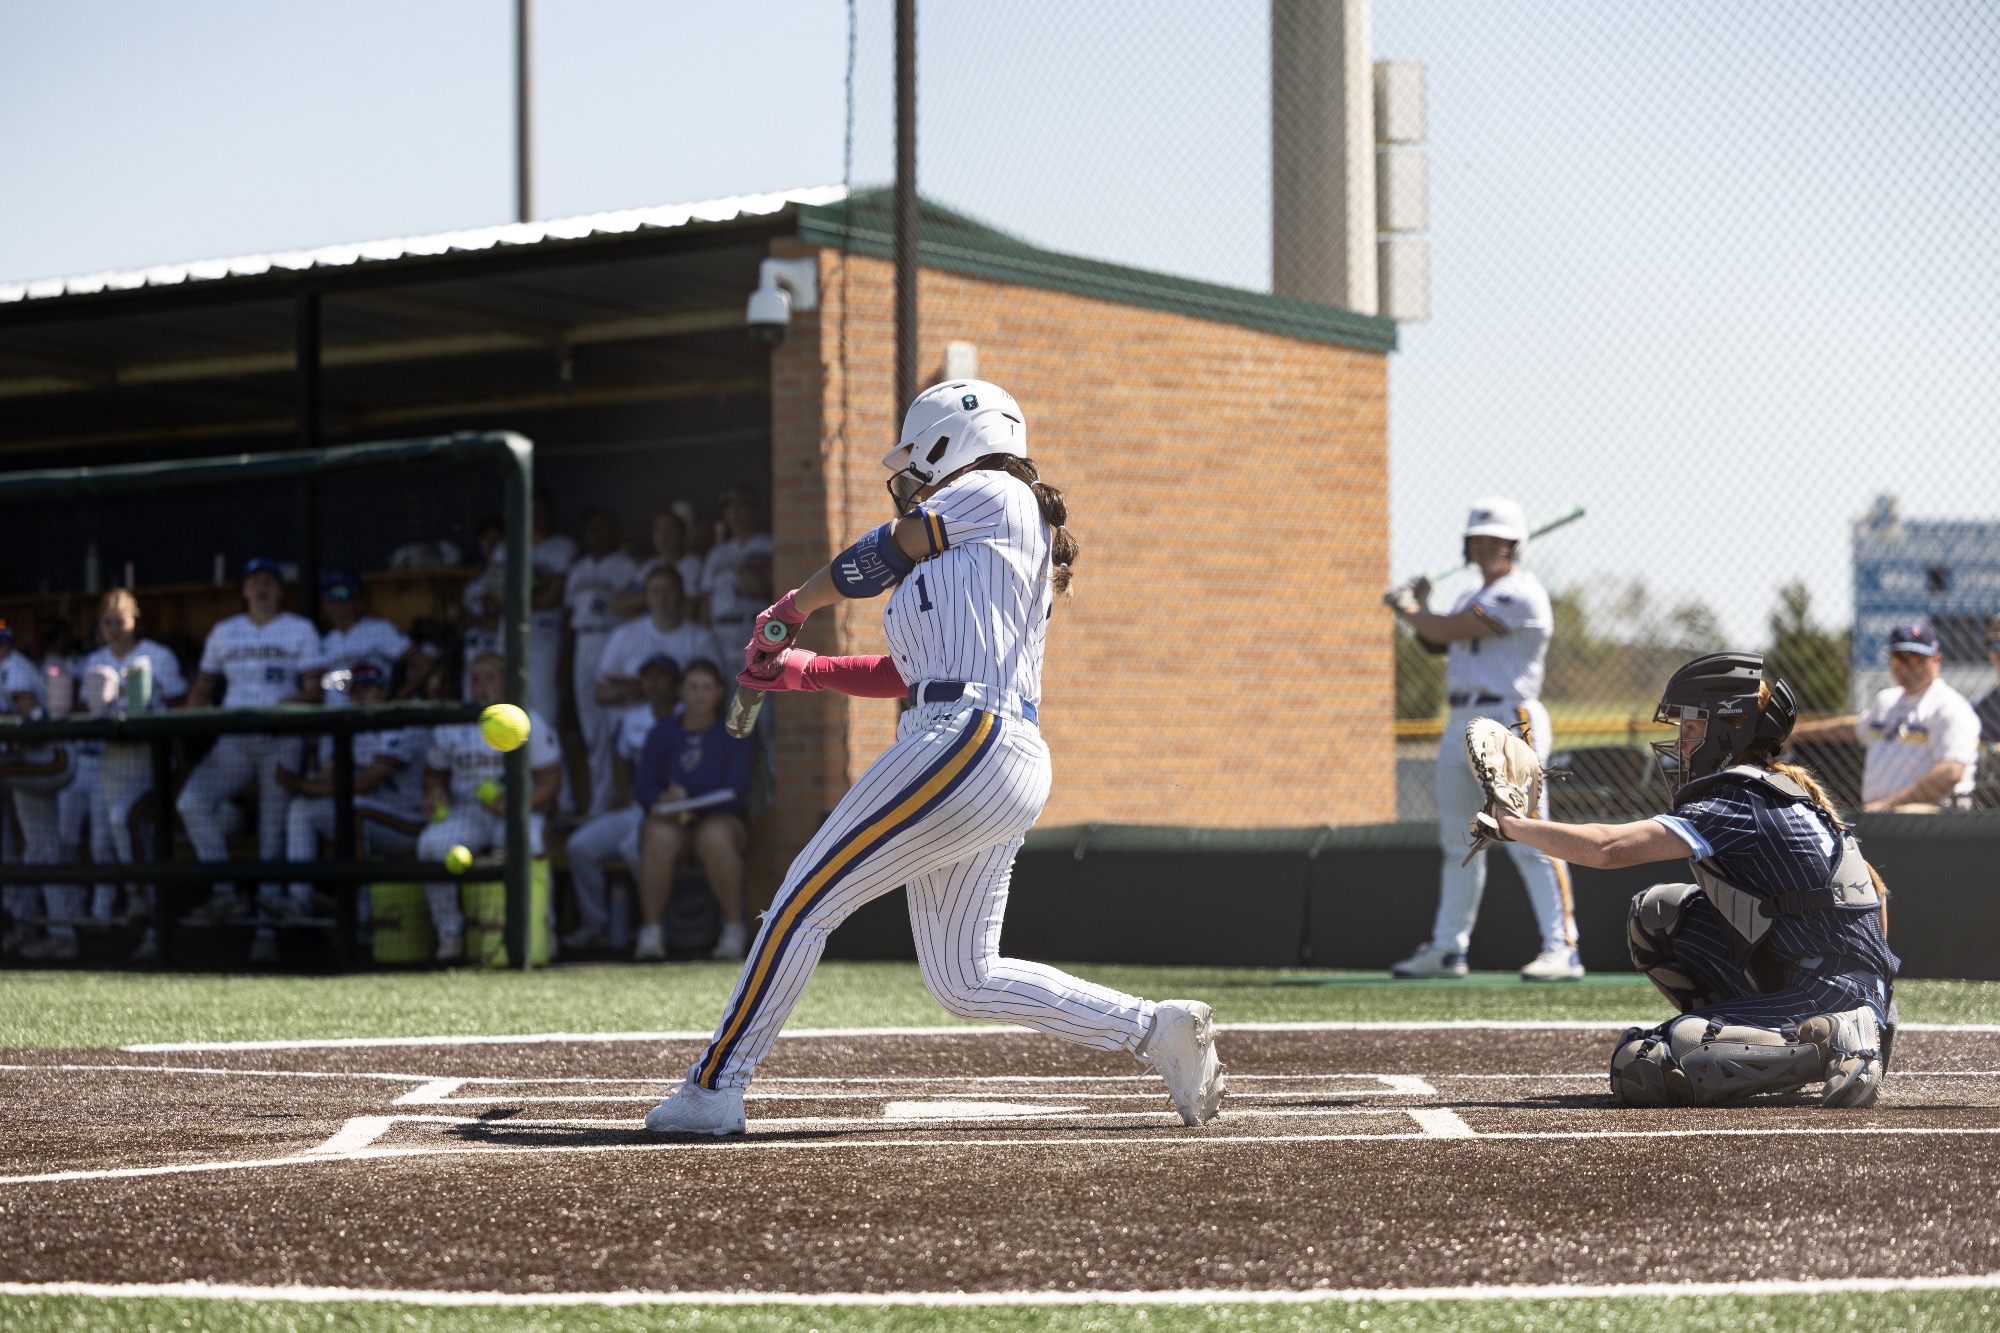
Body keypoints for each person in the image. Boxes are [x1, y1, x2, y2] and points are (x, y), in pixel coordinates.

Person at [642, 379, 1224, 1136]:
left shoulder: (995, 492)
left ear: (953, 441)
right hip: (975, 746)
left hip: (968, 738)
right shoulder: (968, 545)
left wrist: (794, 605)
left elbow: (886, 550)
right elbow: (906, 673)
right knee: (964, 978)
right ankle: (1159, 1031)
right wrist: (803, 669)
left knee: (799, 901)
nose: (910, 476)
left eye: (919, 457)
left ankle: (714, 1086)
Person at [1476, 652, 1896, 1108]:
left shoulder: (1740, 795)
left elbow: (1606, 848)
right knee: (1657, 915)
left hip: (1829, 992)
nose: (1680, 743)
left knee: (1646, 1061)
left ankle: (1839, 1038)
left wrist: (1513, 824)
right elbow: (1878, 901)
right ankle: (1781, 1040)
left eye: (1691, 729)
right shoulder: (1777, 787)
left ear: (1728, 729)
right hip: (1826, 980)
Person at [1384, 497, 1582, 982]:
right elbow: (1435, 639)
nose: (1486, 547)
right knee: (1459, 841)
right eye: (1478, 540)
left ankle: (1563, 948)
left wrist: (1410, 607)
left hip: (1508, 717)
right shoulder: (1471, 592)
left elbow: (1450, 629)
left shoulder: (1520, 593)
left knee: (1530, 835)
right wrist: (1420, 608)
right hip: (1460, 720)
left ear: (1515, 545)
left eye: (1496, 540)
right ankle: (1448, 949)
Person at [177, 558, 325, 935]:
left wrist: (283, 705)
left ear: (280, 590)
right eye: (254, 581)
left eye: (269, 582)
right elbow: (201, 691)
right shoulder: (224, 632)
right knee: (191, 802)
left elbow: (315, 694)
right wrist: (184, 728)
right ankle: (226, 890)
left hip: (281, 739)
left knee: (272, 834)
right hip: (235, 740)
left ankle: (265, 932)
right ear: (244, 590)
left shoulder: (300, 629)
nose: (262, 588)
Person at [416, 652, 562, 963]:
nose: (482, 686)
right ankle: (450, 933)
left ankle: (543, 927)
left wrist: (517, 807)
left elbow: (551, 781)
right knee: (430, 844)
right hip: (466, 811)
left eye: (490, 677)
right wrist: (435, 795)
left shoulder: (526, 720)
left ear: (506, 681)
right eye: (476, 679)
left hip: (514, 811)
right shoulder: (454, 723)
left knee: (532, 843)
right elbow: (433, 777)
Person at [276, 662, 428, 945]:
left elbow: (364, 785)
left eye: (365, 688)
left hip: (409, 824)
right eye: (353, 691)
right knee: (303, 808)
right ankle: (300, 900)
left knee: (355, 808)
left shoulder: (401, 723)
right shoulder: (350, 727)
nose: (358, 696)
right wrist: (304, 781)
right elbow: (325, 778)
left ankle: (360, 918)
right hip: (368, 818)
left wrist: (304, 785)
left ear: (382, 691)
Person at [80, 591, 188, 961]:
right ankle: (145, 928)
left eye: (120, 622)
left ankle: (149, 909)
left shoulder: (157, 656)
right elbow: (85, 709)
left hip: (153, 761)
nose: (114, 630)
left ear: (135, 621)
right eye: (107, 623)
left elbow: (180, 704)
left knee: (128, 822)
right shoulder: (95, 661)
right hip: (113, 760)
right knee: (115, 838)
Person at [630, 659, 754, 962]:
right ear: (681, 691)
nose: (700, 695)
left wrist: (690, 804)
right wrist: (664, 799)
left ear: (719, 692)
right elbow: (643, 787)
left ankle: (734, 929)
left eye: (707, 688)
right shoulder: (661, 733)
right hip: (673, 821)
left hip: (719, 818)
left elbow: (736, 791)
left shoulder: (735, 732)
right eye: (693, 687)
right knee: (657, 836)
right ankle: (651, 932)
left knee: (715, 838)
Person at [1791, 623, 1979, 812]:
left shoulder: (1950, 706)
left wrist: (1890, 805)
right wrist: (1796, 734)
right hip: (1882, 813)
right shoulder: (1886, 701)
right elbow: (1853, 728)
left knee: (1902, 813)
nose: (1906, 667)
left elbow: (1951, 772)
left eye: (1915, 659)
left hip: (1937, 815)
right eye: (1899, 658)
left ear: (1936, 660)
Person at [562, 654, 681, 954]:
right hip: (638, 806)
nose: (654, 684)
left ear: (675, 683)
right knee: (579, 846)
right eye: (648, 678)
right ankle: (597, 923)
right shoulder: (632, 719)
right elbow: (621, 762)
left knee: (634, 849)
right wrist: (623, 790)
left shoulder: (687, 715)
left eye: (661, 677)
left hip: (674, 811)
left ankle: (656, 926)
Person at [0, 621, 76, 961]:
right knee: (35, 852)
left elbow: (33, 725)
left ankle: (60, 932)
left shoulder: (13, 668)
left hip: (49, 760)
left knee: (42, 851)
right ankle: (27, 926)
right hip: (23, 769)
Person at [476, 489, 576, 735]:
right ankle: (510, 772)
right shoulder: (505, 549)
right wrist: (528, 595)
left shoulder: (562, 547)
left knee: (543, 715)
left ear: (550, 514)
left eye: (540, 511)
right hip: (507, 637)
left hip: (543, 636)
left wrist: (512, 598)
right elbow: (491, 599)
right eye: (530, 511)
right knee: (504, 709)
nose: (535, 517)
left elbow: (552, 599)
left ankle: (548, 769)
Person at [563, 510, 640, 817]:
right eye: (592, 528)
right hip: (584, 642)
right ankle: (599, 803)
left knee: (615, 724)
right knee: (591, 730)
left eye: (603, 526)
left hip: (613, 638)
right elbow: (568, 621)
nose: (597, 533)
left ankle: (621, 801)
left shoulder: (628, 566)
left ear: (614, 530)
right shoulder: (578, 569)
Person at [595, 566, 722, 708]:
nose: (662, 598)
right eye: (655, 591)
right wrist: (632, 691)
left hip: (684, 724)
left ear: (681, 595)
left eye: (669, 591)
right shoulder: (623, 634)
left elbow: (720, 691)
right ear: (646, 597)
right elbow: (601, 691)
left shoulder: (702, 638)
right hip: (635, 725)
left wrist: (669, 690)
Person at [316, 570, 436, 699]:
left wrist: (399, 699)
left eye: (345, 593)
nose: (338, 601)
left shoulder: (379, 630)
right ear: (324, 603)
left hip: (374, 713)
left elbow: (424, 664)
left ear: (357, 598)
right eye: (331, 595)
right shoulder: (323, 642)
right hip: (333, 715)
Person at [697, 485, 774, 651]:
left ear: (755, 509)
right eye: (730, 508)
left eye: (741, 507)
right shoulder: (716, 554)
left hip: (757, 628)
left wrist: (763, 591)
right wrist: (703, 638)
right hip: (721, 631)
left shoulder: (771, 546)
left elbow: (789, 595)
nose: (735, 513)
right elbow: (706, 600)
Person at [613, 508, 706, 622]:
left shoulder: (694, 564)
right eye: (658, 530)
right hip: (651, 634)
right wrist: (650, 598)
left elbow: (690, 609)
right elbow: (618, 604)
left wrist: (649, 601)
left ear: (682, 533)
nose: (663, 535)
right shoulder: (650, 565)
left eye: (669, 529)